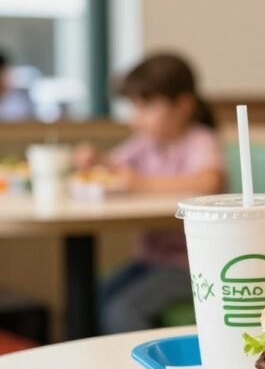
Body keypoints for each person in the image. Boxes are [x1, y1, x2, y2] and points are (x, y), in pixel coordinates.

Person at [75, 52, 224, 333]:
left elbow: (210, 182)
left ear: (183, 104)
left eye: (147, 106)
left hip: (191, 264)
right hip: (150, 259)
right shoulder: (146, 142)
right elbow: (112, 166)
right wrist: (94, 159)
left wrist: (141, 182)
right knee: (93, 294)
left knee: (123, 309)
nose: (137, 117)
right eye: (134, 106)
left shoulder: (199, 139)